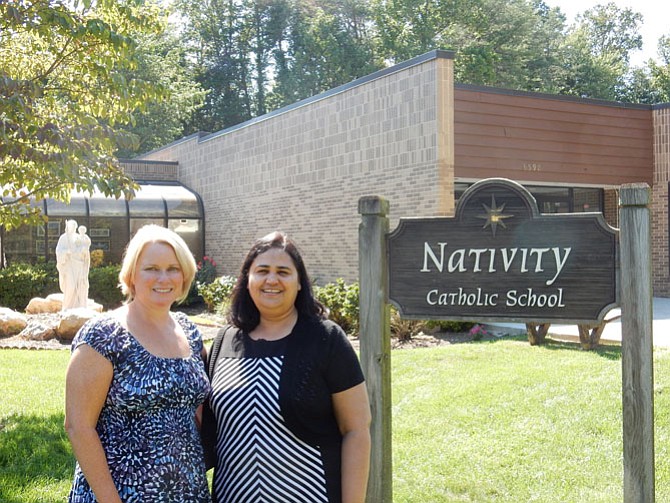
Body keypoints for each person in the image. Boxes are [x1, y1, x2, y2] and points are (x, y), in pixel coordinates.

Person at [202, 231, 371, 503]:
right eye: (262, 271)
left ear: (299, 282)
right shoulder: (225, 340)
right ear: (248, 279)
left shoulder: (326, 339)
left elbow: (357, 430)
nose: (272, 279)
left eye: (283, 271)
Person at [64, 224, 212, 502]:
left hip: (187, 491)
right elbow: (78, 426)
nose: (163, 277)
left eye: (173, 268)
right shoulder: (103, 335)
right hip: (120, 492)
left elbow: (197, 411)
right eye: (151, 268)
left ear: (185, 275)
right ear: (132, 274)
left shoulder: (190, 333)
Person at [56, 219, 84, 309]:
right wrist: (66, 252)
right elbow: (58, 251)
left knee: (79, 286)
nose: (71, 229)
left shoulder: (78, 238)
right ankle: (67, 306)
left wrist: (79, 252)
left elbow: (81, 249)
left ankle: (77, 305)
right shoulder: (63, 238)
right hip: (68, 266)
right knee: (70, 286)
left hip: (77, 265)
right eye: (69, 227)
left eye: (73, 227)